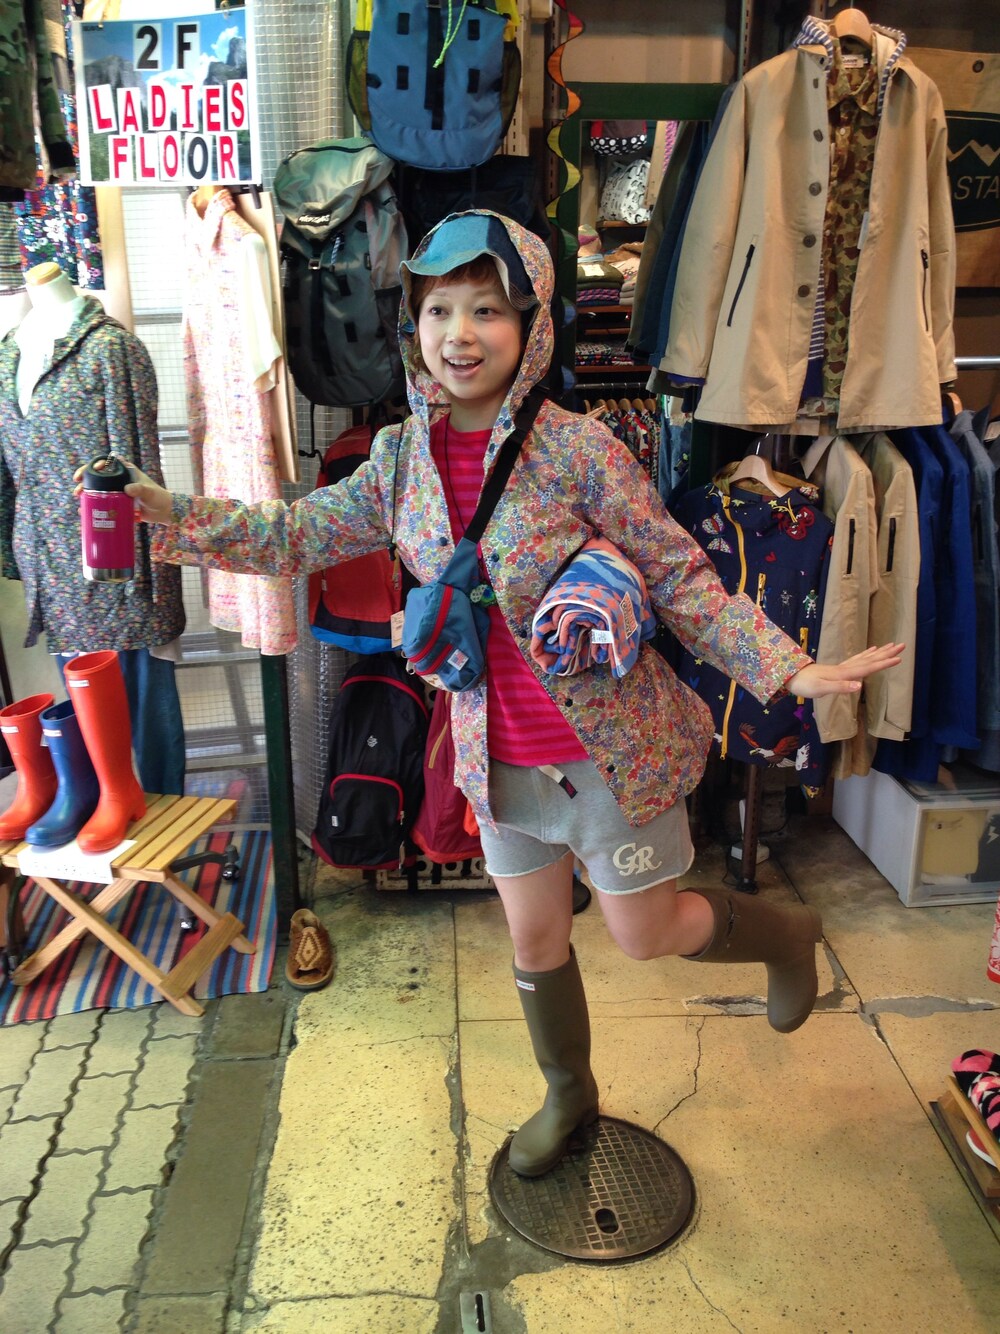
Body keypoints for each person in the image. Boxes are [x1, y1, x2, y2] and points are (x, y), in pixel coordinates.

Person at [77, 211, 902, 1178]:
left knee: (645, 935)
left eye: (486, 310)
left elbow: (678, 575)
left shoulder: (580, 449)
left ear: (532, 325)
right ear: (412, 324)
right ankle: (569, 1093)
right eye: (438, 310)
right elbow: (294, 536)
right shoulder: (400, 460)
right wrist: (167, 513)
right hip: (494, 759)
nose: (459, 334)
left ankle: (788, 936)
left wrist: (787, 666)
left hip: (610, 758)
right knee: (535, 938)